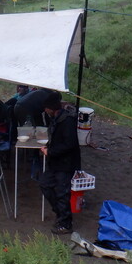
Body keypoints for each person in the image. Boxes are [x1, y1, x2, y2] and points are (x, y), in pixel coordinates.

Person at [39, 91, 81, 235]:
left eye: (46, 108)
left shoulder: (67, 121)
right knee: (45, 184)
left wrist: (50, 152)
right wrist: (48, 147)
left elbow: (69, 144)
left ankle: (66, 224)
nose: (45, 110)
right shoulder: (55, 119)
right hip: (56, 162)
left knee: (62, 193)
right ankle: (60, 214)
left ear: (52, 108)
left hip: (66, 163)